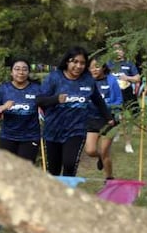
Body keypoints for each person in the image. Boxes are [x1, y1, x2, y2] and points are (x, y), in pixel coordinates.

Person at [36, 46, 115, 176]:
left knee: (69, 164)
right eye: (75, 62)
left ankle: (68, 188)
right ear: (67, 61)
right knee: (54, 170)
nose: (78, 66)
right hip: (53, 130)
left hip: (76, 130)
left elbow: (98, 100)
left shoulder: (88, 80)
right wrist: (56, 99)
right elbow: (39, 100)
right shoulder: (54, 77)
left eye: (82, 63)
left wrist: (109, 117)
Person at [0, 58, 42, 163]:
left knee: (24, 169)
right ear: (11, 72)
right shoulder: (3, 89)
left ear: (28, 72)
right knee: (5, 169)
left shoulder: (37, 89)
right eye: (17, 69)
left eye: (24, 69)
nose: (21, 72)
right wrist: (3, 107)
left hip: (30, 137)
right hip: (7, 136)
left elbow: (48, 106)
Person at [85, 56, 123, 180]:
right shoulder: (87, 82)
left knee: (105, 150)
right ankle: (100, 157)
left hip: (109, 119)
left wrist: (111, 111)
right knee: (90, 151)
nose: (94, 70)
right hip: (92, 119)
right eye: (91, 68)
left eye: (97, 67)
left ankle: (109, 178)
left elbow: (118, 100)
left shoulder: (111, 80)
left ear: (103, 67)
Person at [107, 42, 141, 154]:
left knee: (125, 119)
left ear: (124, 51)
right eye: (115, 49)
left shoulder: (129, 63)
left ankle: (128, 144)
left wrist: (127, 77)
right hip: (112, 95)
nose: (117, 51)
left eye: (120, 49)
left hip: (126, 94)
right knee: (114, 118)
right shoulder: (108, 64)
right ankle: (116, 131)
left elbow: (137, 78)